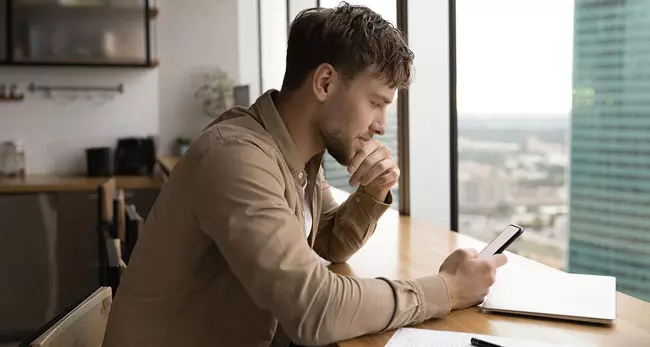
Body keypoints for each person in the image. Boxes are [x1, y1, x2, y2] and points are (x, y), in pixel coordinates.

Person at [102, 3, 507, 347]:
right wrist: (447, 289)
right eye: (375, 102)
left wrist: (373, 190)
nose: (382, 125)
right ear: (326, 82)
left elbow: (327, 241)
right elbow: (316, 311)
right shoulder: (237, 157)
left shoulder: (296, 153)